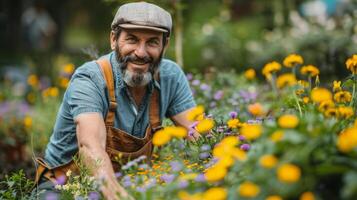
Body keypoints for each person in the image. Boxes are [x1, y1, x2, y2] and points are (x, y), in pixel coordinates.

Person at [33, 2, 199, 199]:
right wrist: (117, 196)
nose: (141, 52)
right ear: (113, 39)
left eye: (152, 42)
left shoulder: (171, 76)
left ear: (165, 45)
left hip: (128, 182)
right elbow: (90, 147)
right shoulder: (90, 79)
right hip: (62, 188)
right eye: (132, 40)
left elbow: (197, 133)